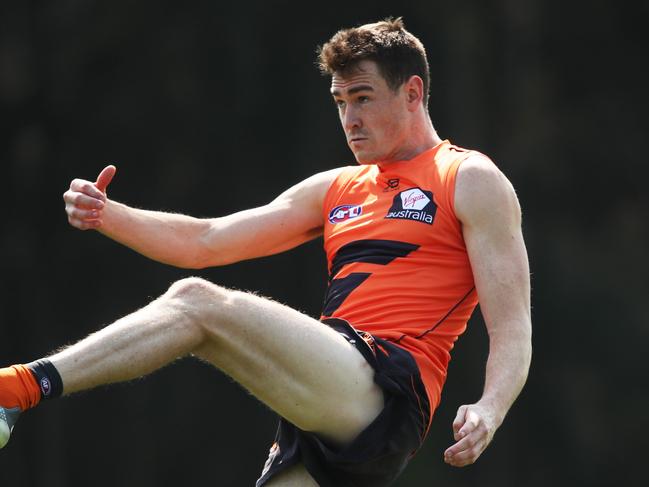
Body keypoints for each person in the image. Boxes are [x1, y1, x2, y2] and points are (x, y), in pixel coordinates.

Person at [0, 17, 532, 486]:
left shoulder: (469, 178)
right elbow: (206, 240)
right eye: (340, 101)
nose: (349, 118)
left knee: (196, 302)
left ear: (413, 93)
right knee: (197, 312)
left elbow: (512, 327)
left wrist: (491, 407)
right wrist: (108, 215)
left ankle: (19, 387)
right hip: (330, 398)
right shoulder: (335, 188)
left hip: (387, 387)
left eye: (364, 97)